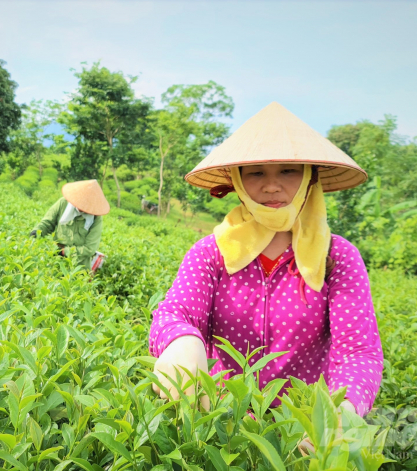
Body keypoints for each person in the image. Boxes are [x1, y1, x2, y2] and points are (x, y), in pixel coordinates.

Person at [149, 102, 383, 443]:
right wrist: (182, 343)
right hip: (219, 424)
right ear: (237, 181)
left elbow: (357, 351)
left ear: (308, 177)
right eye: (256, 172)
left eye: (287, 171)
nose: (272, 186)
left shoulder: (338, 256)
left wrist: (340, 412)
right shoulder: (212, 252)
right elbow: (176, 313)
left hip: (301, 430)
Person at [30, 179, 109, 270]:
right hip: (55, 259)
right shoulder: (63, 203)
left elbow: (90, 248)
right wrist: (36, 232)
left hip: (79, 265)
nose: (83, 208)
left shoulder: (96, 218)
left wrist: (65, 251)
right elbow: (47, 223)